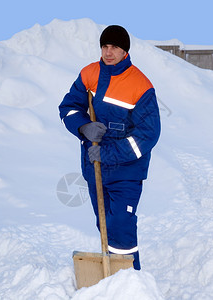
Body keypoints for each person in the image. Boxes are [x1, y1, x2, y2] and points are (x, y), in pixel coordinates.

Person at [59, 25, 161, 270]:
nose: (108, 51)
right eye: (105, 46)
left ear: (124, 50)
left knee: (120, 225)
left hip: (127, 171)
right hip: (94, 167)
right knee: (104, 225)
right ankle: (110, 278)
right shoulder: (89, 74)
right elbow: (68, 107)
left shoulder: (140, 84)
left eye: (114, 47)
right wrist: (83, 127)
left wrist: (108, 154)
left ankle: (129, 281)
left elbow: (148, 134)